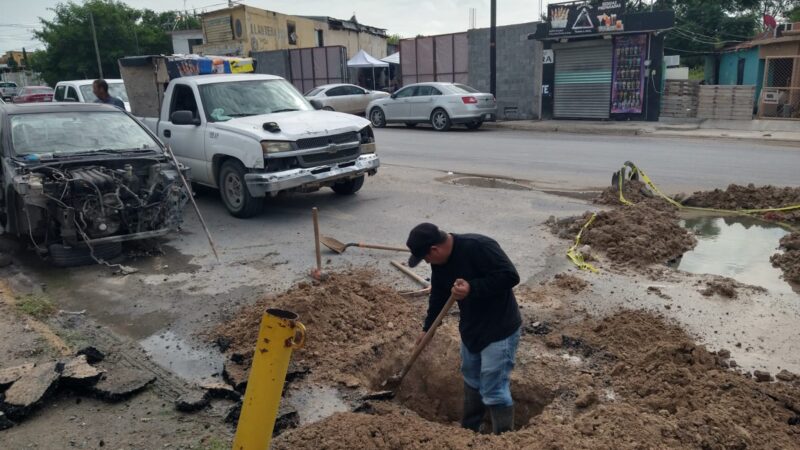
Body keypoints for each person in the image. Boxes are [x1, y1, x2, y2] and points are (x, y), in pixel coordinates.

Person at [406, 223, 521, 434]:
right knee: (472, 379)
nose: (427, 262)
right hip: (471, 329)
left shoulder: (479, 246)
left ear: (434, 249)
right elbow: (439, 295)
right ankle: (467, 432)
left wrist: (472, 287)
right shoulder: (440, 263)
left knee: (494, 389)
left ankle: (505, 438)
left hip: (499, 329)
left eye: (426, 258)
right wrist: (428, 328)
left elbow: (510, 276)